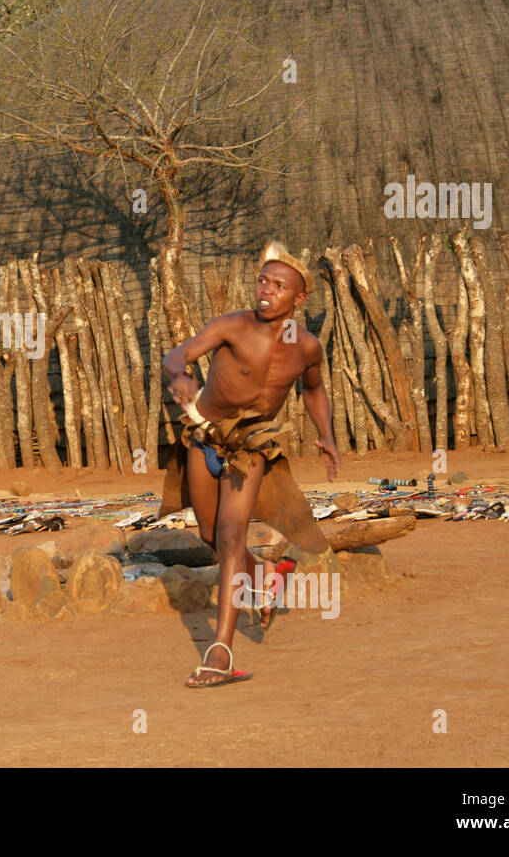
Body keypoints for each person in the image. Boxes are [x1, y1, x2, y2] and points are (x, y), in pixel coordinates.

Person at [161, 242, 341, 687]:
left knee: (230, 533)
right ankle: (268, 572)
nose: (267, 290)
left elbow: (314, 391)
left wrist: (328, 435)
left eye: (279, 286)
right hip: (205, 436)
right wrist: (181, 375)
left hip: (251, 447)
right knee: (210, 536)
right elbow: (176, 355)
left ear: (298, 301)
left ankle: (220, 651)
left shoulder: (306, 347)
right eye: (263, 280)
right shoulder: (231, 326)